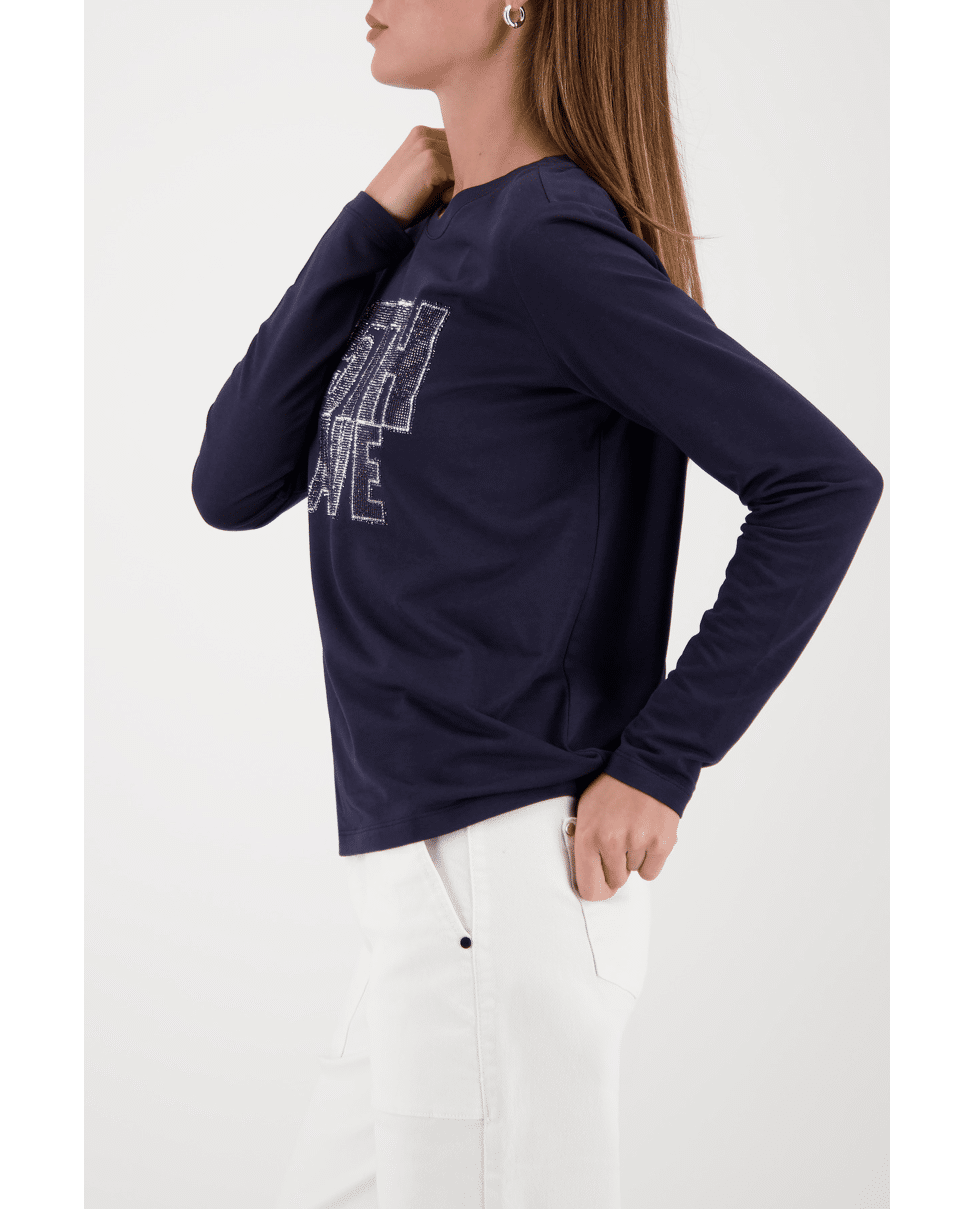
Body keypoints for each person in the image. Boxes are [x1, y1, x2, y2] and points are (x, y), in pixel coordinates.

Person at [191, 3, 884, 1206]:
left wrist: (662, 761)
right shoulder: (441, 236)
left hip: (506, 860)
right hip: (423, 877)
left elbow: (822, 484)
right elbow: (234, 479)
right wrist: (374, 216)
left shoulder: (549, 242)